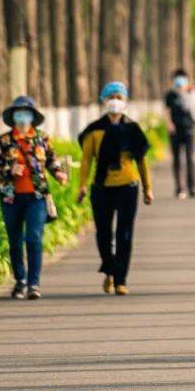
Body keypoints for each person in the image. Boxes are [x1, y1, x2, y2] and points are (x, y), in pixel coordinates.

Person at [78, 80, 153, 295]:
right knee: (103, 233)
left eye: (119, 98)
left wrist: (148, 187)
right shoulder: (94, 131)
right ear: (104, 101)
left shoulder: (133, 130)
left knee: (125, 233)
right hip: (101, 188)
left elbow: (141, 161)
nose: (115, 102)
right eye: (111, 98)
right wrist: (82, 186)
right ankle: (109, 268)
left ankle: (121, 279)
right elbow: (86, 161)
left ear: (126, 102)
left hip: (128, 186)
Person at [0, 95, 67, 299]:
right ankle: (20, 281)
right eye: (19, 113)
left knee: (34, 238)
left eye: (26, 113)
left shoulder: (42, 138)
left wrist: (58, 173)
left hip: (37, 197)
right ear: (13, 116)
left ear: (33, 116)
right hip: (11, 198)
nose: (23, 117)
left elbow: (51, 160)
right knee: (15, 241)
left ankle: (34, 283)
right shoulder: (4, 141)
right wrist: (9, 168)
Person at [165, 68, 195, 200]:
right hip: (175, 130)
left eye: (182, 77)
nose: (180, 80)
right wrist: (169, 124)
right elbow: (167, 110)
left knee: (190, 159)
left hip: (190, 129)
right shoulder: (170, 95)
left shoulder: (193, 93)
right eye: (177, 77)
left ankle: (192, 187)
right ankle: (180, 188)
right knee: (177, 160)